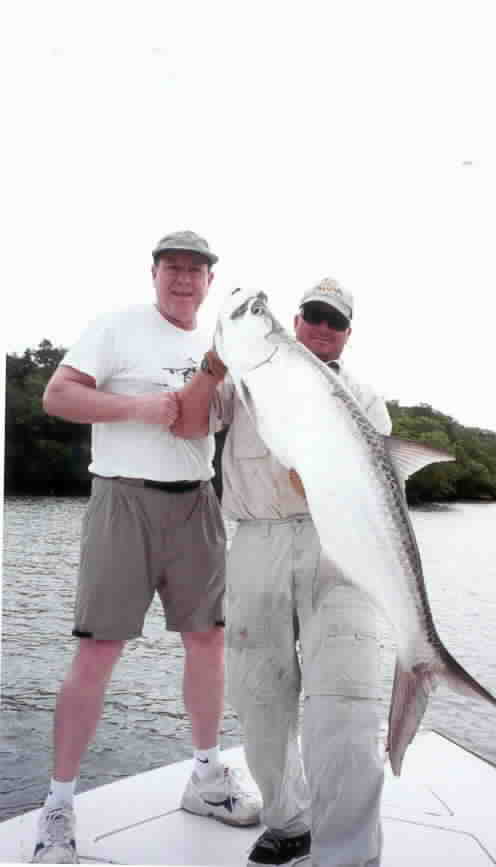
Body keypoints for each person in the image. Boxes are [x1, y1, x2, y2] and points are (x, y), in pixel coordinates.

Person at [32, 230, 262, 865]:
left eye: (196, 270)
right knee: (98, 651)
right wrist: (135, 409)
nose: (184, 279)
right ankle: (58, 806)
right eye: (173, 268)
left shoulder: (225, 348)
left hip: (197, 500)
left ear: (211, 281)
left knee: (208, 640)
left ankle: (206, 775)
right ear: (154, 274)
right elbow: (56, 396)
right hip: (122, 500)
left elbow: (214, 422)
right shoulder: (116, 326)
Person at [175, 278, 392, 866]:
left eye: (336, 321)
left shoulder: (366, 400)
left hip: (339, 546)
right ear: (295, 321)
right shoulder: (239, 384)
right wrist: (213, 363)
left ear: (348, 335)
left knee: (344, 703)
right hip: (256, 541)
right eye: (314, 315)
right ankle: (287, 820)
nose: (323, 327)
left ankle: (346, 856)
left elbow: (371, 493)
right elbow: (189, 422)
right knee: (260, 697)